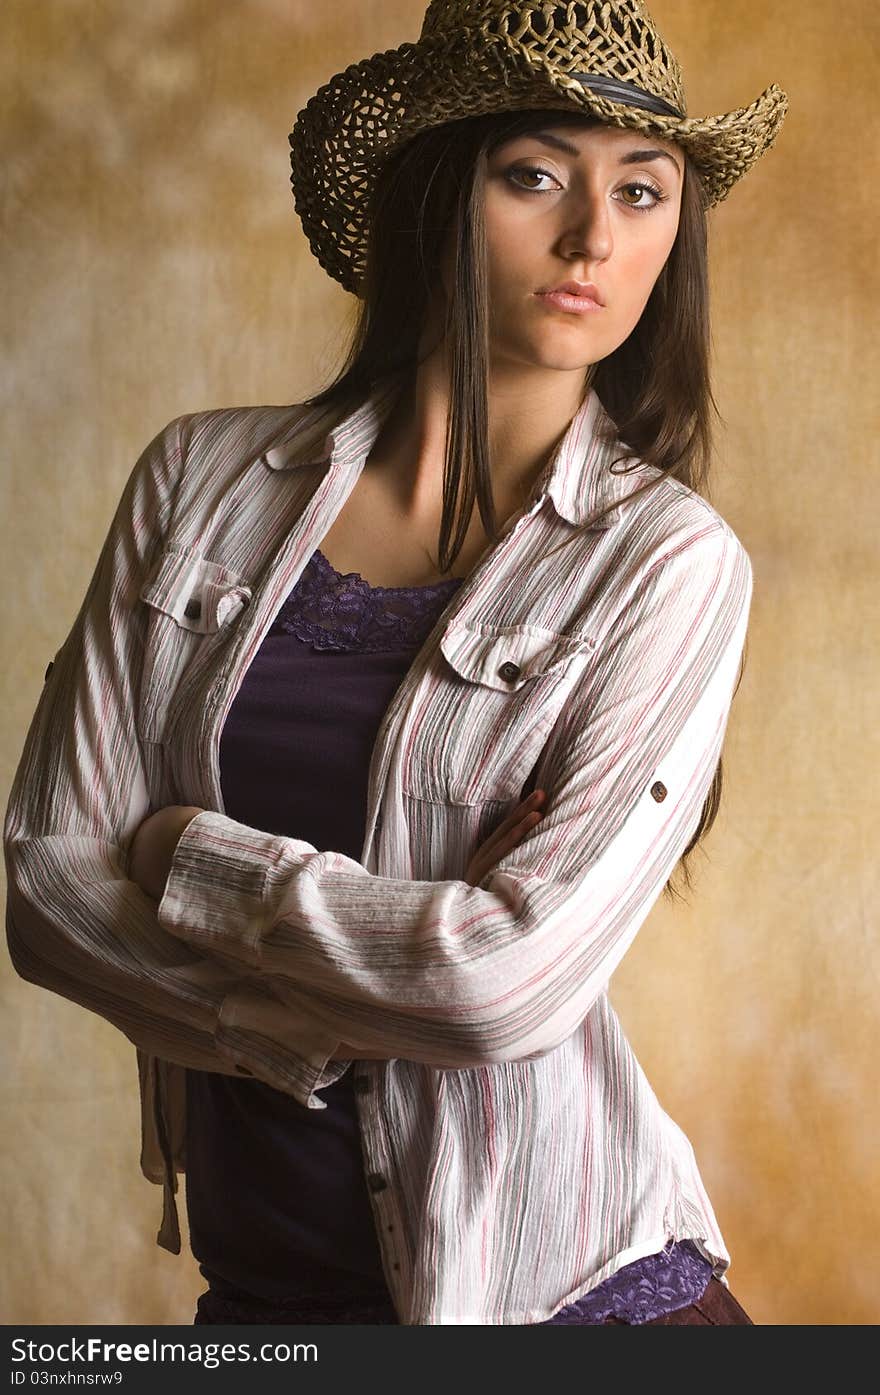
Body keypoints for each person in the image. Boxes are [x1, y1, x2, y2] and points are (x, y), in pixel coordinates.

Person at [4, 0, 788, 1326]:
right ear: (435, 194)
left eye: (643, 191)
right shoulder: (199, 484)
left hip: (568, 1298)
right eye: (536, 173)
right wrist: (287, 1025)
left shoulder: (668, 561)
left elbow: (501, 985)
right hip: (268, 1300)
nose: (595, 234)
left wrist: (186, 855)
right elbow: (45, 889)